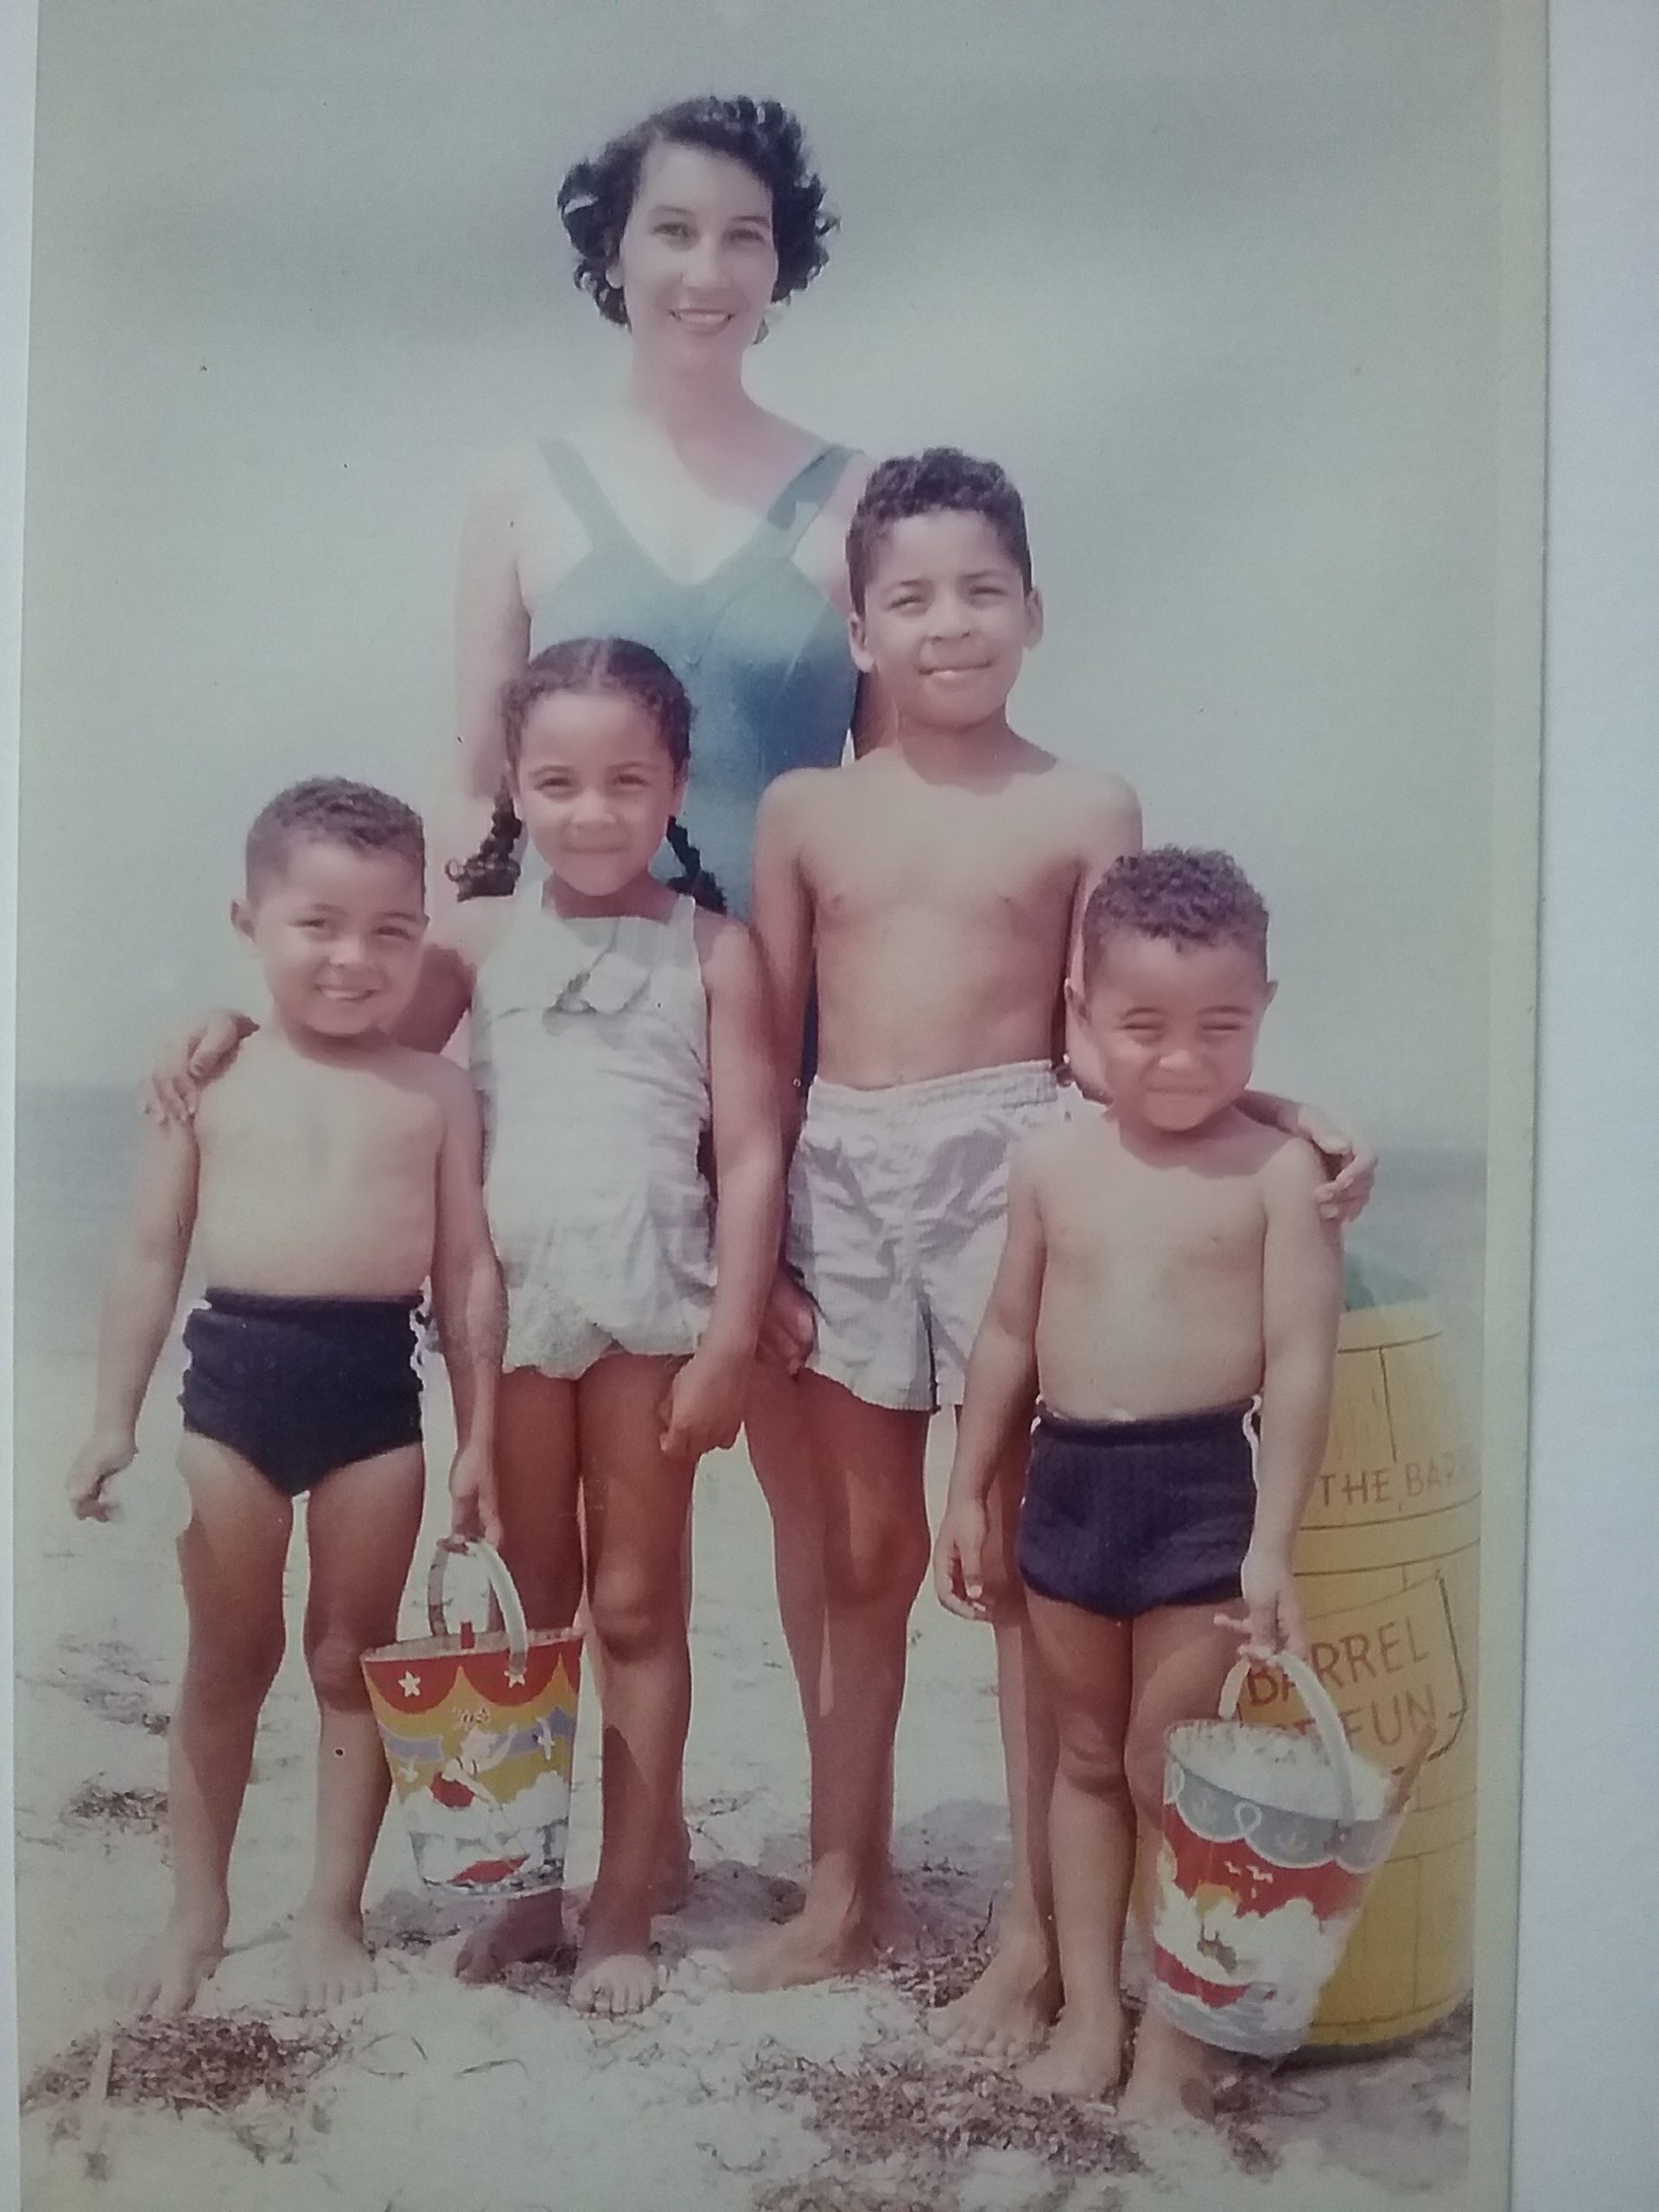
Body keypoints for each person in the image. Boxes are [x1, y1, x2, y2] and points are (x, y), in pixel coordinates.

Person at [739, 450, 1363, 2001]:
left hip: (1015, 1155)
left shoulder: (1086, 801)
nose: (949, 624)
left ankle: (1032, 1928)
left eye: (982, 591)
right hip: (845, 1172)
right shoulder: (806, 807)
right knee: (865, 1550)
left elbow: (1117, 1038)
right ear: (861, 628)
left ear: (1034, 608)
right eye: (911, 598)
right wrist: (751, 1255)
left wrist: (1274, 1112)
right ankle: (843, 1888)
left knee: (1021, 1560)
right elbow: (760, 1037)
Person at [144, 641, 782, 2012]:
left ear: (678, 783)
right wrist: (215, 1027)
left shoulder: (717, 949)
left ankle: (621, 1909)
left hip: (650, 1305)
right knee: (536, 1611)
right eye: (557, 782)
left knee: (634, 1602)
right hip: (515, 1315)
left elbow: (753, 1152)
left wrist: (734, 1329)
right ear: (512, 787)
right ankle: (529, 1895)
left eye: (627, 780)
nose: (593, 811)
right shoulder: (477, 939)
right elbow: (349, 1044)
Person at [437, 91, 888, 1925]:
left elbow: (900, 792)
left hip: (798, 1034)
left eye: (744, 237)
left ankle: (844, 1866)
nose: (707, 269)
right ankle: (621, 1847)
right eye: (671, 231)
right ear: (609, 254)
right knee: (576, 1507)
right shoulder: (523, 488)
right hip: (585, 1053)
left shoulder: (857, 496)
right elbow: (471, 792)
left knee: (822, 1498)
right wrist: (311, 1018)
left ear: (782, 269)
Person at [65, 780, 504, 2018]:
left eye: (390, 929)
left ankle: (330, 1910)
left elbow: (469, 1272)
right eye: (318, 924)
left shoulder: (437, 1091)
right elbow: (149, 1256)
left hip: (376, 1394)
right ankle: (196, 1912)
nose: (354, 959)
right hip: (233, 1395)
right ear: (249, 919)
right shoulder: (208, 1080)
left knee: (352, 1661)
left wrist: (481, 1439)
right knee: (229, 1659)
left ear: (424, 930)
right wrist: (113, 1417)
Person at [935, 847, 1344, 2120]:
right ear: (1083, 1013)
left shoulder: (1281, 1176)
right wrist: (967, 1488)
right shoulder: (1050, 1164)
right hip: (1068, 1483)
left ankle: (1178, 2028)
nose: (1180, 1059)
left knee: (1174, 1769)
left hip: (1197, 1497)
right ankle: (1090, 2012)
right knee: (1086, 1754)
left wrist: (1271, 1548)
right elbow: (1006, 1335)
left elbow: (1301, 1366)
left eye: (1221, 1027)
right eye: (1143, 1027)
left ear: (1265, 1010)